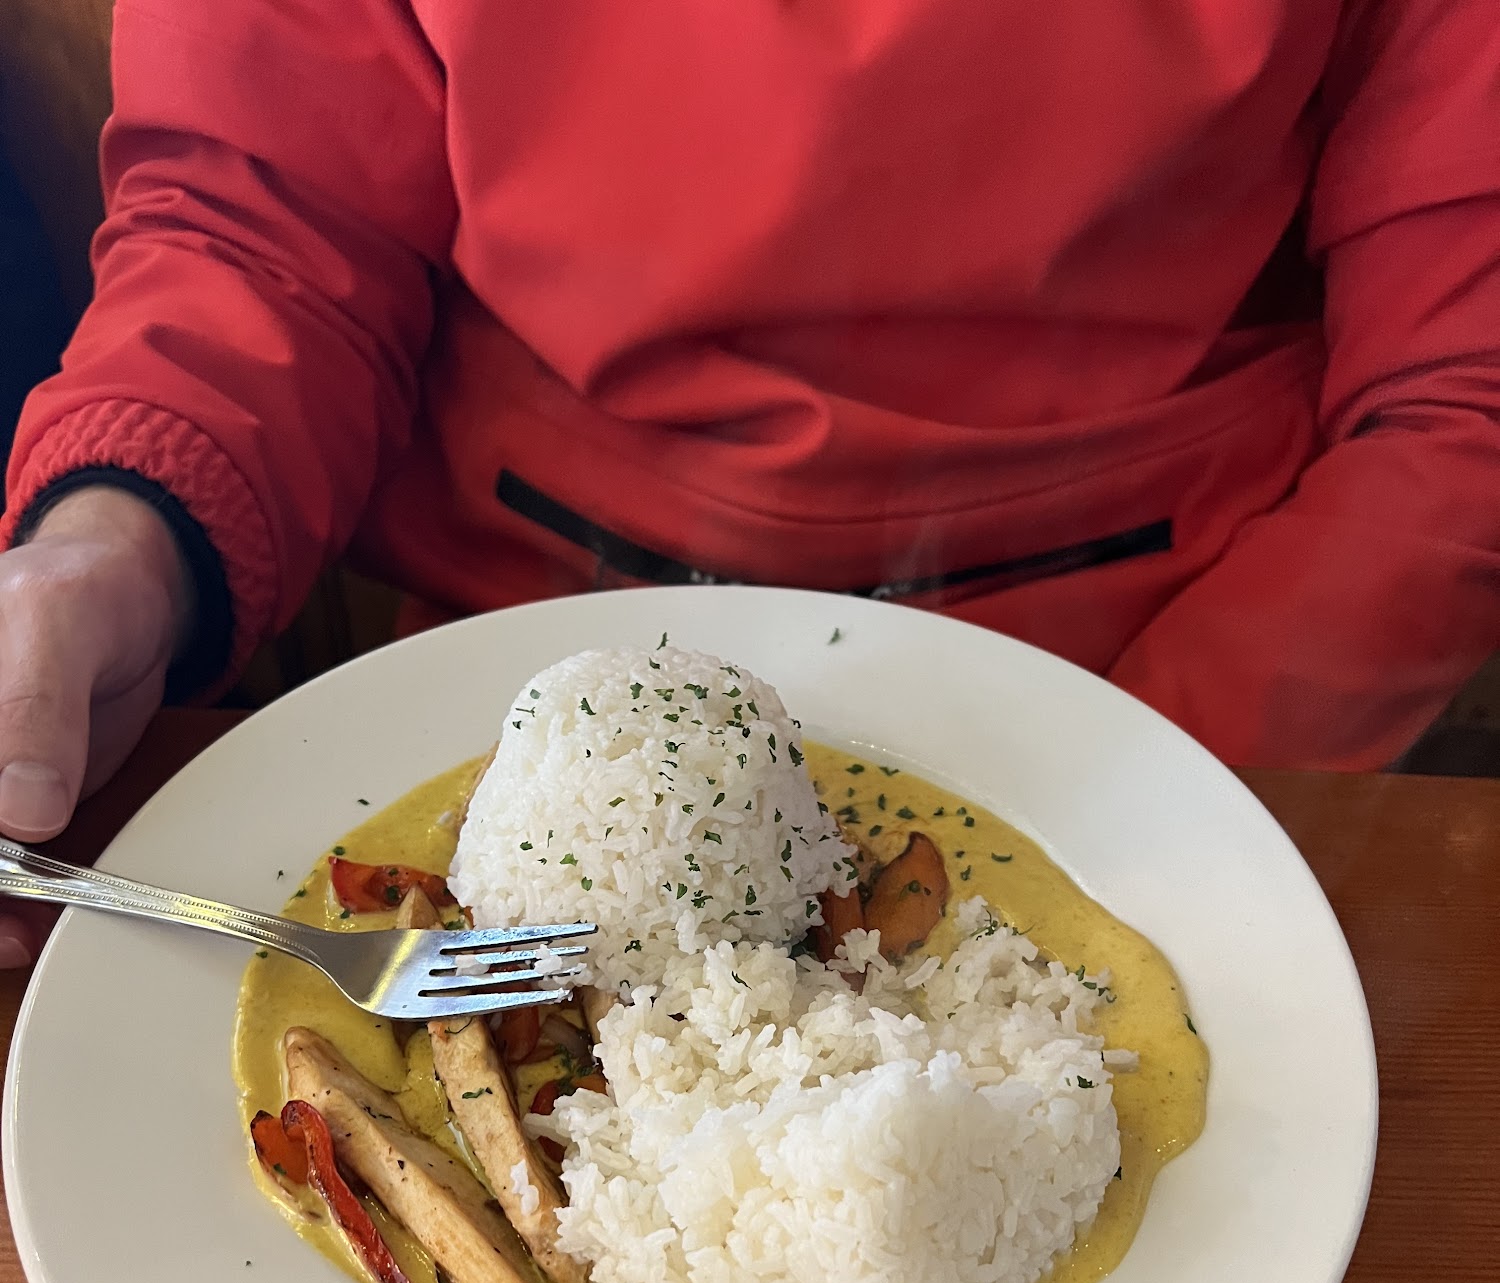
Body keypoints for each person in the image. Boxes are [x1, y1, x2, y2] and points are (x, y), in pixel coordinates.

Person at [1, 0, 1497, 966]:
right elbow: (263, 233)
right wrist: (116, 544)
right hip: (526, 694)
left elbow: (1461, 391)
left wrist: (1158, 789)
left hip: (1182, 681)